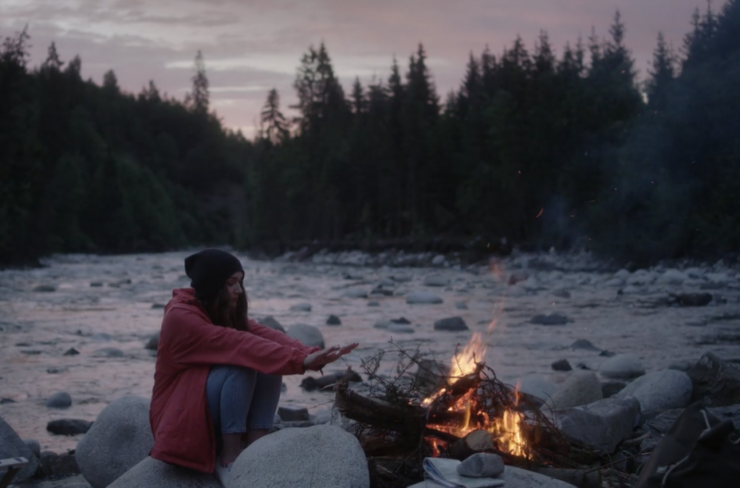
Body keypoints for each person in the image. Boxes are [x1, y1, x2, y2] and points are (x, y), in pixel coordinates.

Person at [149, 249, 357, 483]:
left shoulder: (216, 310)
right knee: (242, 365)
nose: (239, 290)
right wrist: (299, 361)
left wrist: (311, 354)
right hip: (179, 418)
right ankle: (230, 459)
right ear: (211, 286)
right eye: (231, 283)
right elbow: (238, 344)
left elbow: (264, 335)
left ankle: (256, 448)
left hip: (204, 408)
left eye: (240, 282)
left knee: (267, 364)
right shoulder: (181, 318)